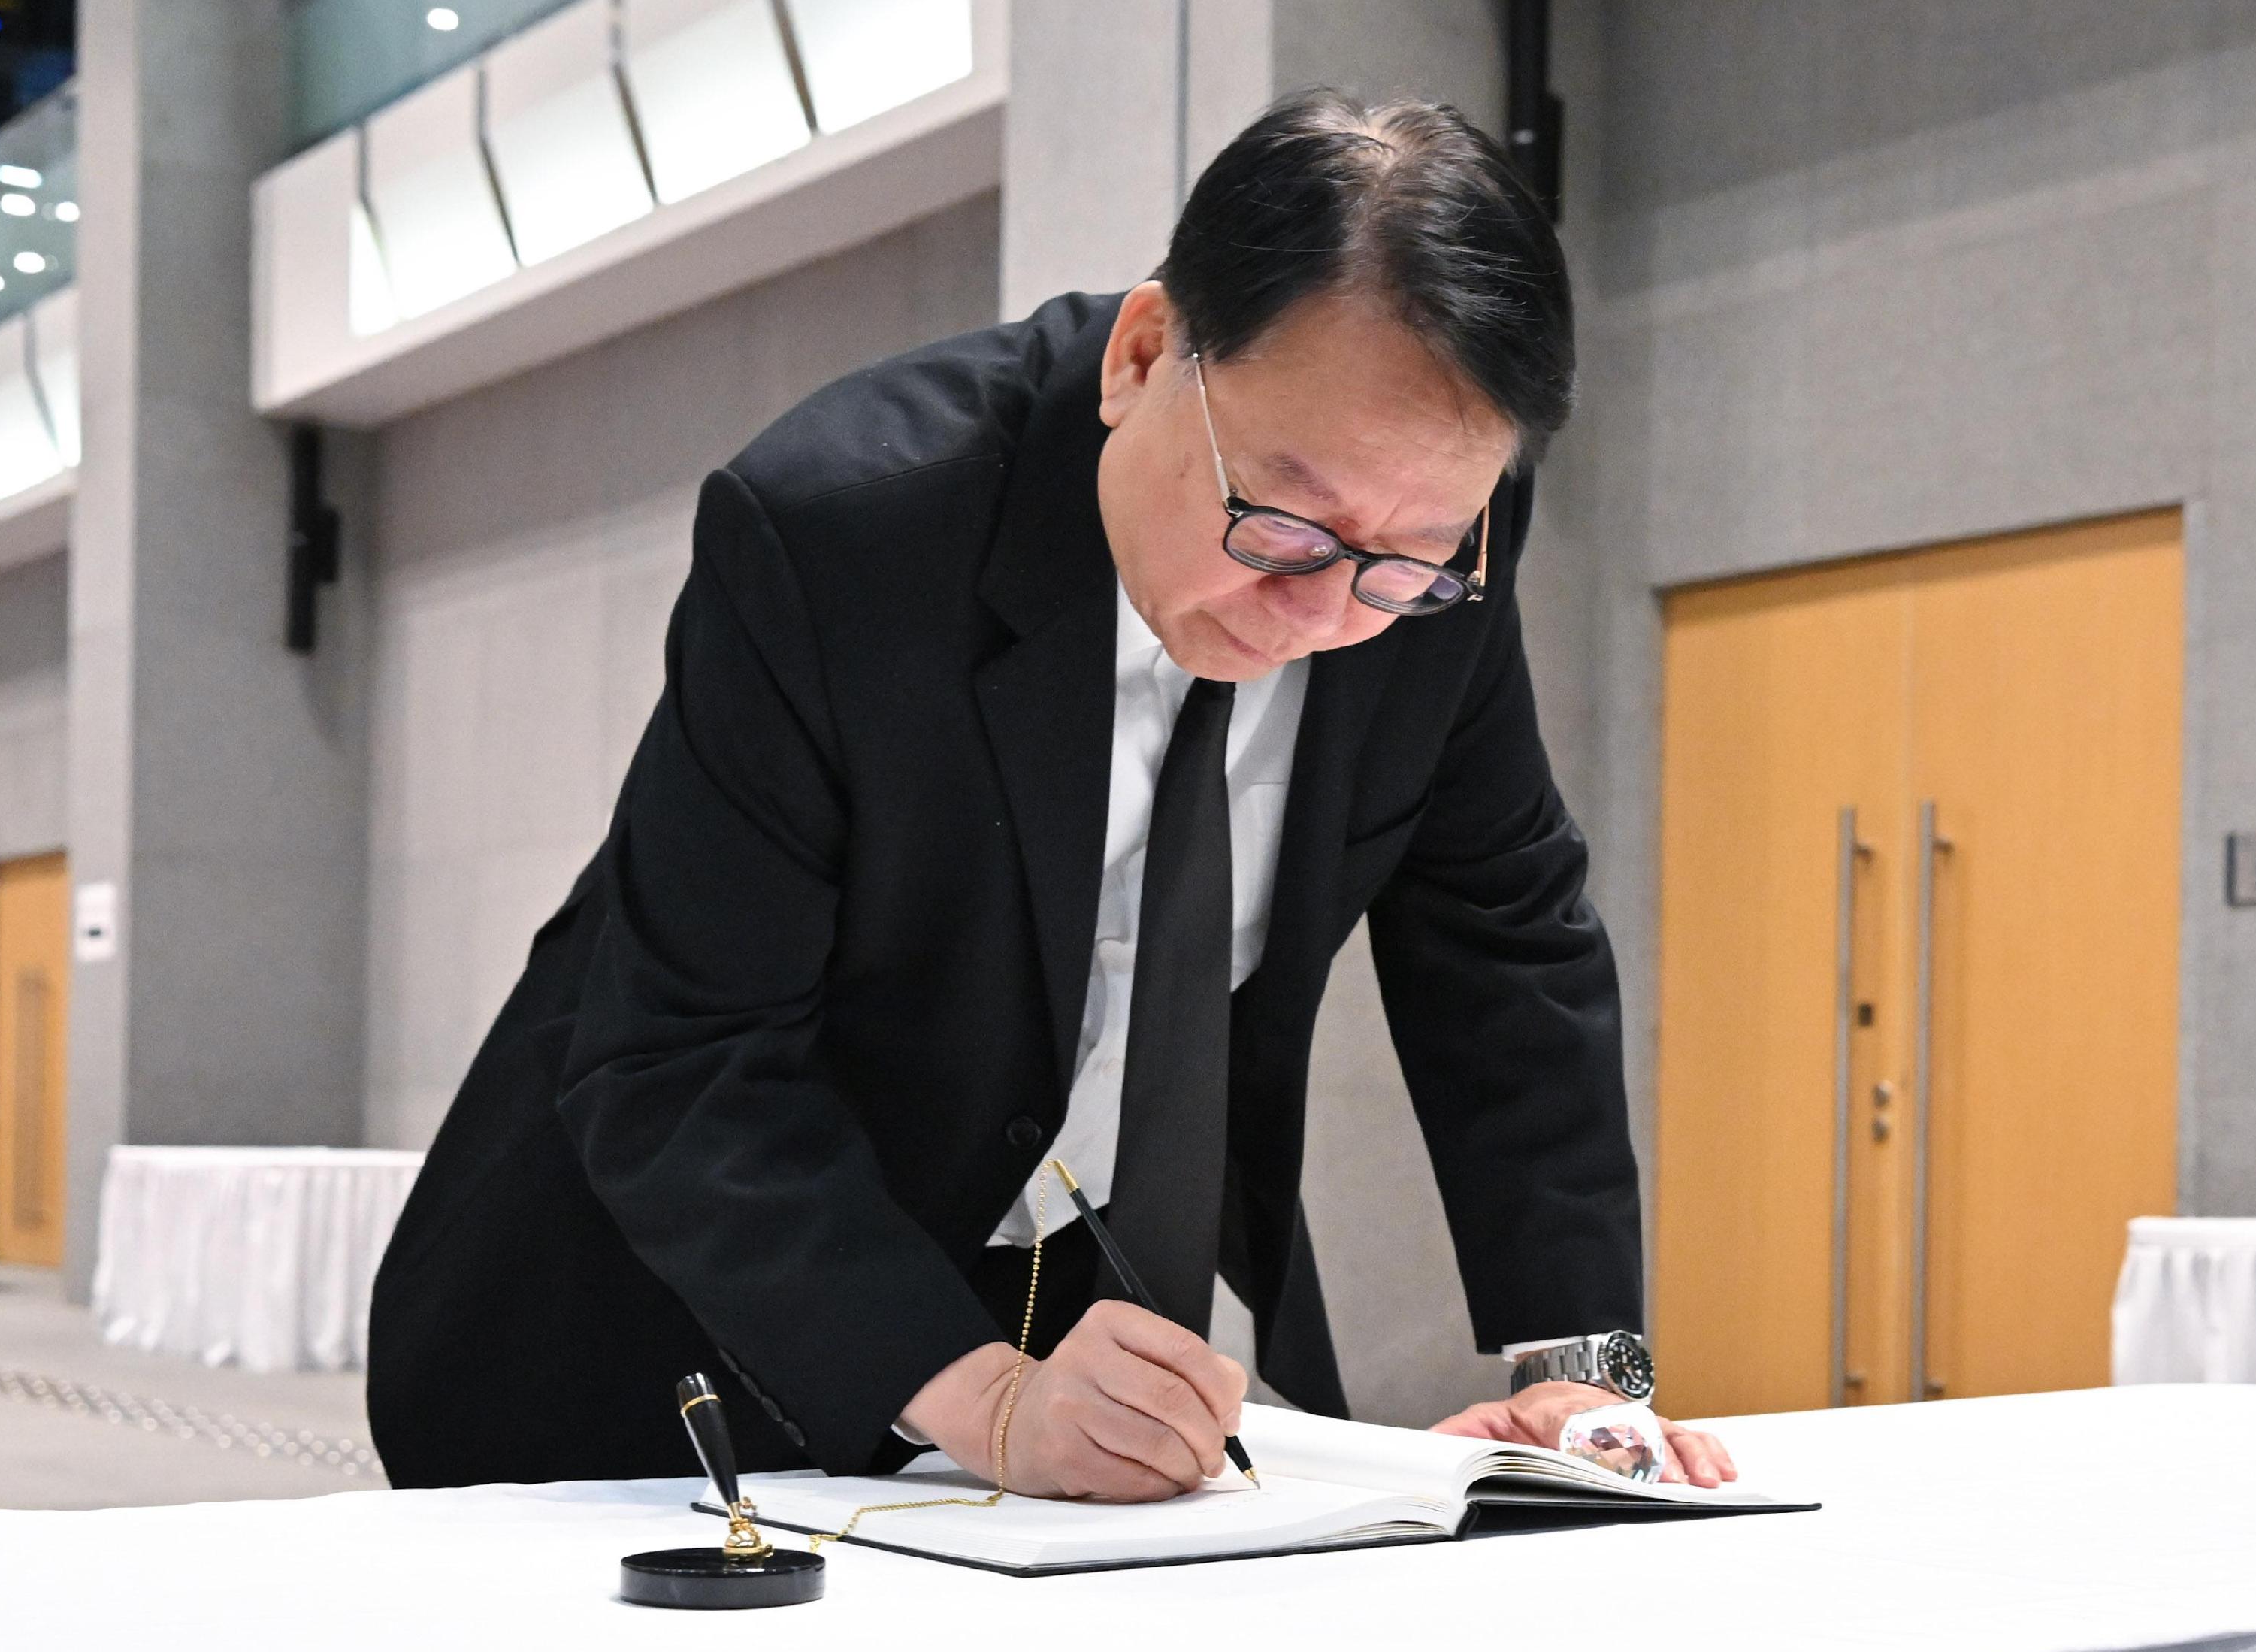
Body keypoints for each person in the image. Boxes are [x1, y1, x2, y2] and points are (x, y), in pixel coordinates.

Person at [367, 90, 1736, 1500]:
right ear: (1146, 357)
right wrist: (980, 1397)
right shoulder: (849, 530)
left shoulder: (1425, 567)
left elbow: (1508, 948)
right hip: (646, 1335)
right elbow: (680, 1057)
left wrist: (1586, 1371)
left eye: (1409, 558)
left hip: (1040, 1337)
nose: (1321, 613)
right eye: (1279, 520)